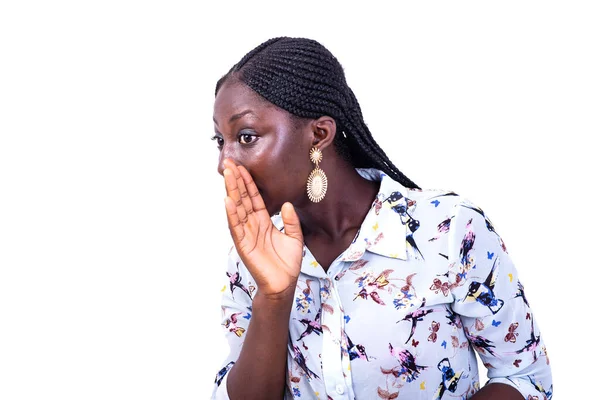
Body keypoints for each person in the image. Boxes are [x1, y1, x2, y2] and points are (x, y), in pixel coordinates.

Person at [210, 37, 553, 400]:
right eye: (220, 141)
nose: (224, 164)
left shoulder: (448, 230)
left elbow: (524, 379)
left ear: (319, 134)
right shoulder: (250, 260)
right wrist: (273, 296)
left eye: (246, 137)